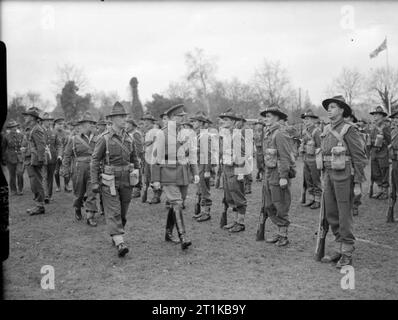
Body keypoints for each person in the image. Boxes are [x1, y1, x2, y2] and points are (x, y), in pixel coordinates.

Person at [320, 95, 367, 267]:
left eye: (333, 107)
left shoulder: (349, 129)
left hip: (344, 176)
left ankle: (347, 251)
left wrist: (357, 184)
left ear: (341, 110)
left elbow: (359, 158)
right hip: (328, 175)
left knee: (344, 214)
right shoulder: (325, 129)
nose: (329, 109)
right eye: (328, 107)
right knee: (331, 213)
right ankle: (338, 247)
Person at [91, 102, 140, 257]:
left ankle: (116, 235)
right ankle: (120, 243)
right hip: (109, 181)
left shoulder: (130, 138)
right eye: (120, 116)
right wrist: (94, 182)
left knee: (123, 213)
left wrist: (140, 179)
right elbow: (94, 161)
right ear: (112, 119)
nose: (123, 119)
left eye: (124, 116)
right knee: (113, 212)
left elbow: (135, 159)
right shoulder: (103, 139)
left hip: (127, 179)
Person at [151, 104, 199, 249]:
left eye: (183, 116)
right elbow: (155, 158)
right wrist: (156, 180)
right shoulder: (161, 134)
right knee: (177, 203)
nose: (182, 118)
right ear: (171, 118)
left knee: (177, 203)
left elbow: (192, 154)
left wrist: (195, 172)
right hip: (168, 172)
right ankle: (183, 236)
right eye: (179, 116)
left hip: (183, 173)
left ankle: (168, 233)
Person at [258, 104, 295, 246]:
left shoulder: (280, 133)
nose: (266, 119)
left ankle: (283, 235)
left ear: (277, 118)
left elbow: (284, 157)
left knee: (280, 204)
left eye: (269, 116)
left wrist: (284, 177)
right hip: (269, 173)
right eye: (265, 116)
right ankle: (279, 231)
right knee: (269, 204)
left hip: (278, 174)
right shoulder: (268, 132)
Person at [63, 113, 98, 226]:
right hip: (79, 169)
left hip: (93, 168)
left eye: (93, 123)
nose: (92, 125)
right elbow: (67, 155)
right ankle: (77, 208)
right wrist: (65, 169)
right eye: (89, 123)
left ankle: (90, 216)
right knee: (79, 193)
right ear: (82, 125)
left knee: (92, 192)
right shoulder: (73, 139)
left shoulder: (98, 138)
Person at [218, 109, 249, 233]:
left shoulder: (237, 135)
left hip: (235, 168)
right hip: (227, 168)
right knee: (230, 196)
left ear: (233, 122)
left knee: (238, 195)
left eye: (226, 120)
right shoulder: (225, 134)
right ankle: (235, 221)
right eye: (223, 119)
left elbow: (244, 153)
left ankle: (240, 223)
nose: (223, 122)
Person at [190, 111, 214, 222]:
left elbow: (208, 154)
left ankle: (206, 212)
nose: (193, 123)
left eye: (195, 121)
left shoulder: (204, 136)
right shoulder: (198, 135)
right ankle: (202, 211)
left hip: (203, 166)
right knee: (200, 188)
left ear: (200, 123)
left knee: (205, 190)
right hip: (198, 165)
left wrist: (207, 170)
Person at [22, 107, 46, 216]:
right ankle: (38, 204)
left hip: (36, 161)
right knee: (34, 182)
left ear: (32, 117)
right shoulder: (32, 128)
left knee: (37, 182)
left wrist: (40, 160)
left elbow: (41, 146)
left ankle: (40, 206)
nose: (25, 117)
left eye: (27, 116)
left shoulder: (37, 129)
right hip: (31, 159)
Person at [300, 109, 322, 209]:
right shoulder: (305, 131)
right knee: (308, 179)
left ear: (313, 120)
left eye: (308, 119)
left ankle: (317, 200)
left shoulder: (317, 131)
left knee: (315, 180)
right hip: (306, 158)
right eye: (305, 119)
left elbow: (320, 146)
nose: (306, 121)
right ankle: (311, 198)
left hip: (314, 159)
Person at [369, 106, 391, 200]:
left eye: (377, 115)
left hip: (383, 153)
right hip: (374, 153)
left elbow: (389, 140)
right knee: (376, 173)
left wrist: (383, 140)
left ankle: (385, 192)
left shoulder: (385, 127)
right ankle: (379, 190)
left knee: (384, 172)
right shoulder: (373, 127)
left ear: (382, 116)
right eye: (374, 115)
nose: (375, 116)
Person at [41, 113, 62, 203]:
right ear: (42, 121)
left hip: (52, 158)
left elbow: (59, 144)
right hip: (42, 158)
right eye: (46, 120)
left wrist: (60, 154)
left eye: (50, 120)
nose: (49, 122)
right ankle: (45, 195)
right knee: (44, 176)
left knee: (50, 177)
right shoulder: (39, 131)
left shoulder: (54, 132)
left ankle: (49, 195)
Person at [142, 112, 161, 204]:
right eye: (144, 120)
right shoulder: (148, 131)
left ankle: (156, 196)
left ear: (150, 121)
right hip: (148, 157)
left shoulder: (154, 130)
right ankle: (148, 195)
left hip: (154, 158)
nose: (144, 122)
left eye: (146, 120)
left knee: (154, 178)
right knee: (148, 178)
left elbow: (148, 143)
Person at [2, 120, 24, 196]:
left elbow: (24, 145)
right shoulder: (6, 136)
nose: (14, 128)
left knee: (20, 173)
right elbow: (3, 148)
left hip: (19, 157)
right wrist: (3, 158)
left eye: (15, 126)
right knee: (12, 175)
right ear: (10, 128)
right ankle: (13, 190)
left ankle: (20, 189)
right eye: (12, 127)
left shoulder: (21, 135)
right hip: (10, 158)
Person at [126, 115, 144, 198]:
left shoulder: (135, 133)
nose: (126, 126)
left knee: (136, 172)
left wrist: (137, 157)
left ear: (132, 125)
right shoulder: (128, 133)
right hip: (130, 157)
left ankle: (137, 190)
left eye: (128, 124)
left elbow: (139, 147)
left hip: (136, 156)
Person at [53, 116, 72, 193]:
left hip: (65, 154)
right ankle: (58, 186)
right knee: (56, 171)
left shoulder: (66, 133)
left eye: (62, 124)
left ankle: (66, 185)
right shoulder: (53, 133)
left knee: (66, 171)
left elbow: (68, 143)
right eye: (59, 124)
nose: (61, 125)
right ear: (56, 124)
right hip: (56, 155)